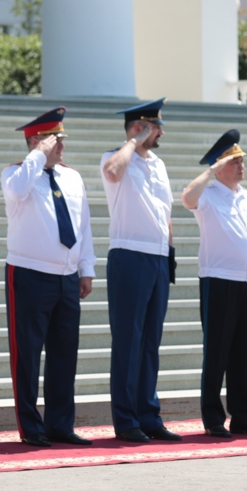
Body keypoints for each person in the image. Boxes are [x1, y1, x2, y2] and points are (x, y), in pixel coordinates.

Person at [2, 107, 95, 448]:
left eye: (61, 140)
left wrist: (86, 269)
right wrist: (38, 156)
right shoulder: (15, 174)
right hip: (29, 274)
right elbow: (15, 192)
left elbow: (82, 225)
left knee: (63, 355)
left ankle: (60, 424)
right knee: (27, 355)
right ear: (37, 141)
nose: (62, 147)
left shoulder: (72, 177)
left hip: (66, 277)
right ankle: (31, 426)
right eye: (56, 140)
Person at [100, 98, 181, 443]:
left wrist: (170, 255)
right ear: (138, 126)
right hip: (129, 255)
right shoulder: (116, 156)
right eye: (154, 126)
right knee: (128, 342)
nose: (160, 131)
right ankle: (126, 419)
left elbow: (166, 210)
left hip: (157, 257)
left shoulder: (158, 164)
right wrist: (132, 142)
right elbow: (112, 173)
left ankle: (149, 414)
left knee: (150, 343)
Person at [181, 129, 247, 438]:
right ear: (220, 166)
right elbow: (186, 197)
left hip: (246, 282)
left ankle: (242, 415)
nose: (241, 165)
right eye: (235, 161)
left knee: (242, 353)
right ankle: (213, 417)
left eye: (242, 160)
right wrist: (210, 170)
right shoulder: (208, 194)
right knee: (217, 351)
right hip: (218, 281)